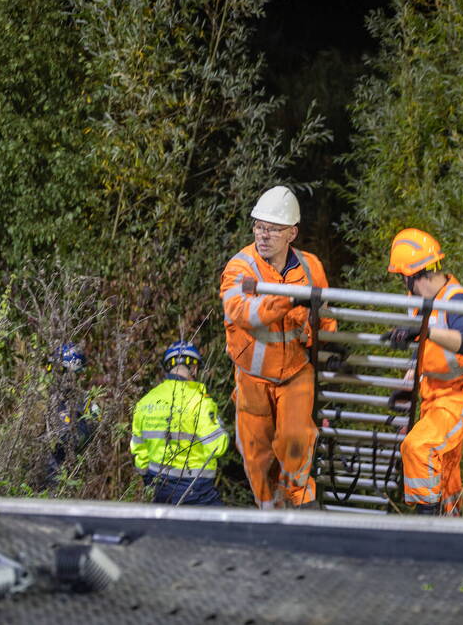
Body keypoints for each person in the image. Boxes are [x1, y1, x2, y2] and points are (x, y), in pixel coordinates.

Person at [219, 186, 340, 509]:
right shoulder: (240, 268)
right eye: (259, 226)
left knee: (296, 441)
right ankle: (268, 510)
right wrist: (287, 299)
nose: (264, 235)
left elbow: (324, 316)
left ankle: (301, 505)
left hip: (296, 373)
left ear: (292, 233)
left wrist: (328, 346)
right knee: (256, 456)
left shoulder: (311, 267)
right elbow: (243, 313)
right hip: (253, 379)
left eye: (273, 229)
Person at [384, 228, 463, 516]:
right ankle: (451, 527)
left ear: (411, 275)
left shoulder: (457, 300)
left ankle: (427, 525)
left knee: (419, 448)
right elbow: (430, 351)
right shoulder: (420, 304)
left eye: (402, 277)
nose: (403, 284)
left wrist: (426, 331)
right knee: (443, 467)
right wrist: (412, 376)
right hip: (436, 393)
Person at [130, 340, 228, 506]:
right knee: (220, 529)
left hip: (158, 486)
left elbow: (139, 450)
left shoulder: (146, 401)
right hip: (196, 489)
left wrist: (148, 479)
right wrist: (220, 427)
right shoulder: (199, 402)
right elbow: (217, 447)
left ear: (168, 367)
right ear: (194, 368)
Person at [44, 343, 98, 486]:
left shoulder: (84, 400)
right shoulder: (53, 397)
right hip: (55, 473)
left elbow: (89, 432)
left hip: (69, 473)